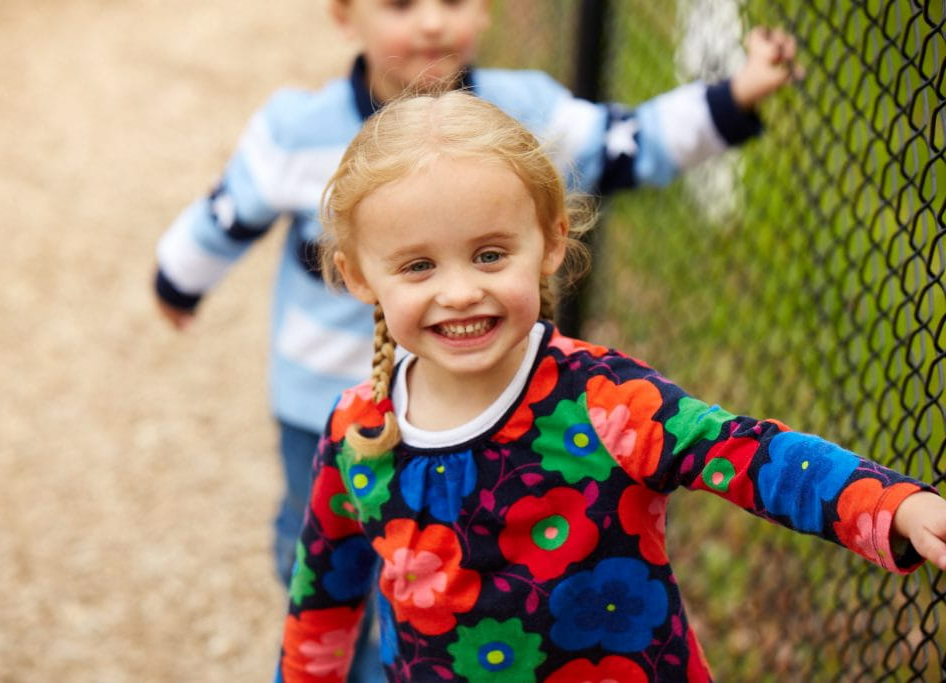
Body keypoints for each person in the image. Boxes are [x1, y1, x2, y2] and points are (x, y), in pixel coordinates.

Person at [153, 1, 798, 678]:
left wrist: (733, 97)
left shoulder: (522, 117)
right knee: (322, 545)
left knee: (446, 563)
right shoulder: (296, 129)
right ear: (346, 16)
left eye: (453, 0)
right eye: (403, 4)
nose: (432, 22)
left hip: (484, 401)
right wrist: (179, 277)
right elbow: (229, 210)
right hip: (319, 397)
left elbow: (626, 140)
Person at [276, 91, 946, 682]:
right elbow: (323, 601)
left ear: (550, 241)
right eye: (418, 265)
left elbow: (749, 454)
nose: (460, 291)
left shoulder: (602, 401)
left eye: (489, 254)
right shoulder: (358, 430)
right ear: (360, 276)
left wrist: (893, 506)